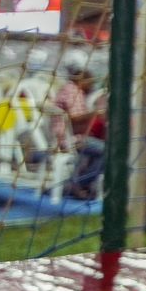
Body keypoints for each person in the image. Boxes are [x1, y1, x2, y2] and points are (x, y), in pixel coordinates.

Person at [49, 56, 105, 199]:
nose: (91, 87)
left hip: (67, 137)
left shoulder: (68, 89)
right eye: (90, 83)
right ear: (82, 80)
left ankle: (81, 184)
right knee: (110, 152)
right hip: (70, 139)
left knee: (101, 151)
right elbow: (75, 119)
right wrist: (97, 113)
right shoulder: (73, 91)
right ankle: (77, 184)